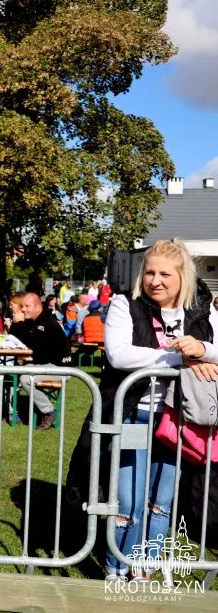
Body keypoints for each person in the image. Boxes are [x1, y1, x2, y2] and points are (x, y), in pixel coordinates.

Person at [89, 239, 218, 581]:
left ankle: (143, 569)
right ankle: (117, 568)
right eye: (149, 272)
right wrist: (183, 359)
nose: (155, 280)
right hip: (135, 415)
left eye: (165, 274)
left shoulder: (202, 310)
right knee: (128, 502)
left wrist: (202, 347)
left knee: (161, 503)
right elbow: (119, 354)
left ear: (183, 277)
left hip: (180, 422)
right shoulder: (123, 304)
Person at [8, 292, 71, 430]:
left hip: (60, 368)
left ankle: (49, 411)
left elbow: (31, 344)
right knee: (13, 373)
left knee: (25, 378)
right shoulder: (33, 322)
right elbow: (15, 338)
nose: (23, 309)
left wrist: (18, 323)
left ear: (38, 307)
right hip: (45, 365)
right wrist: (17, 324)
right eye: (22, 306)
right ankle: (13, 413)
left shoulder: (47, 323)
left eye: (26, 306)